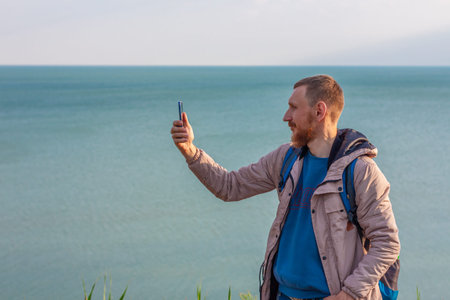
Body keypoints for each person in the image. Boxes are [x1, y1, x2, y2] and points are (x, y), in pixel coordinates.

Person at [170, 75, 400, 300]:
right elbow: (230, 186)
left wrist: (348, 294)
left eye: (293, 107)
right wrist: (189, 150)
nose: (285, 117)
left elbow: (387, 243)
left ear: (319, 111)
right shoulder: (286, 158)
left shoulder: (361, 172)